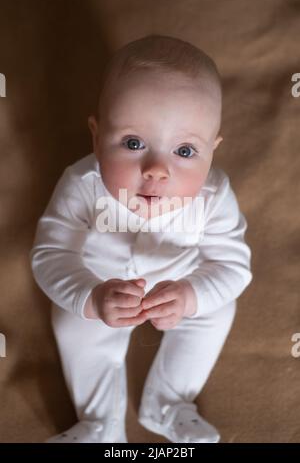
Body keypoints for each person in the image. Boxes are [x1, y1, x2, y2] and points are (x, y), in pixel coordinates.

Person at [30, 34, 252, 443]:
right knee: (71, 321)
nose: (156, 170)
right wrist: (89, 296)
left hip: (181, 280)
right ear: (97, 138)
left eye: (185, 151)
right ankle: (99, 423)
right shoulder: (82, 184)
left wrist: (192, 295)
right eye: (133, 144)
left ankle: (169, 404)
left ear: (212, 152)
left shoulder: (214, 195)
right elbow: (51, 254)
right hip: (99, 279)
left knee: (218, 311)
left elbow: (234, 266)